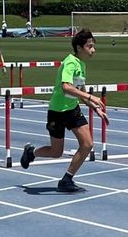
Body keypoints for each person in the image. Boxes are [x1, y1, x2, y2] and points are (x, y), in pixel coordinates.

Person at [20, 28, 107, 192]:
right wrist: (90, 98)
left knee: (87, 144)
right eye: (90, 46)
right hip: (57, 111)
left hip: (72, 109)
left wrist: (95, 107)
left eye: (94, 46)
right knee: (56, 151)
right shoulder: (69, 63)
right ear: (79, 47)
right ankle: (31, 153)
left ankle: (66, 180)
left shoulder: (81, 64)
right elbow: (66, 87)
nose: (93, 50)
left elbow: (79, 90)